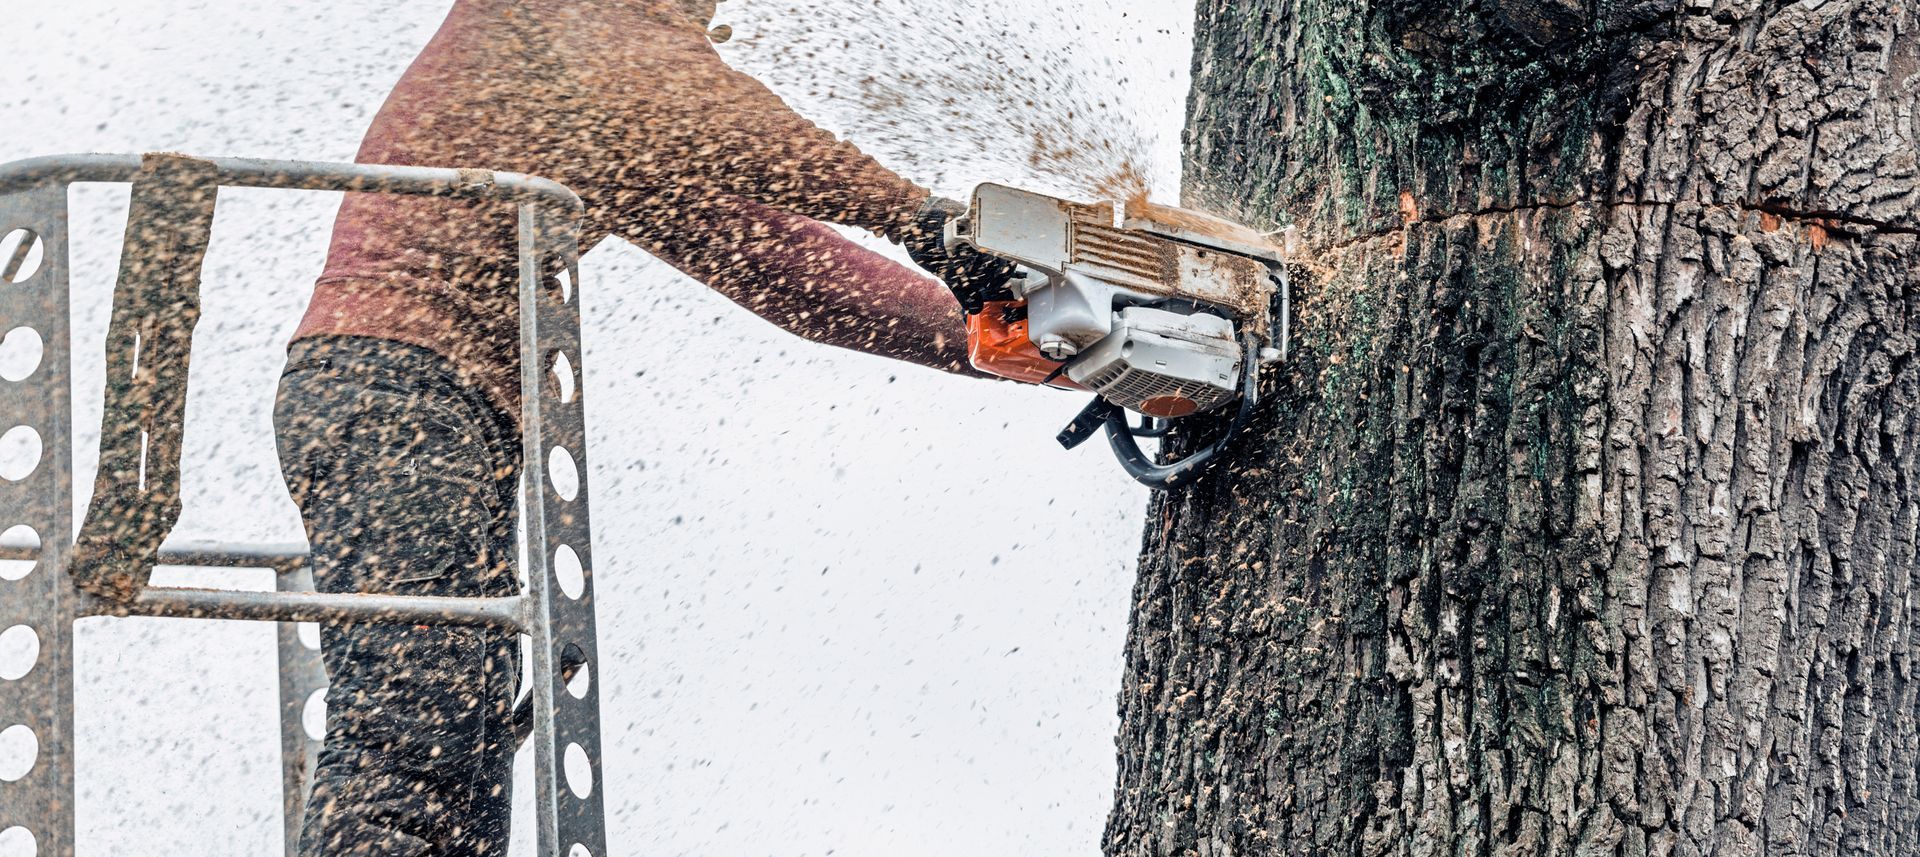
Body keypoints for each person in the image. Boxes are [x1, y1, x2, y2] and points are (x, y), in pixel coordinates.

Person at [272, 1, 1009, 853]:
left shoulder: (616, 113)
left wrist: (1016, 341)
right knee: (415, 721)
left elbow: (792, 271)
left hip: (430, 412)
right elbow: (708, 110)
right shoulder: (561, 22)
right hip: (393, 395)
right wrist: (914, 213)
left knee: (465, 742)